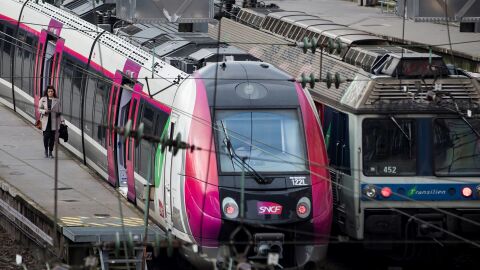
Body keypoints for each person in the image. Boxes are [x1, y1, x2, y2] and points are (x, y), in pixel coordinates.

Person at [38, 86, 63, 158]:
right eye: (49, 91)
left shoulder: (57, 100)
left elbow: (60, 112)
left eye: (52, 91)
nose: (50, 93)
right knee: (46, 137)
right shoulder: (43, 99)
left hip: (54, 122)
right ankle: (46, 150)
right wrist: (44, 111)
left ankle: (50, 152)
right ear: (47, 92)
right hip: (45, 122)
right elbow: (39, 109)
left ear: (54, 92)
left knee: (52, 138)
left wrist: (62, 121)